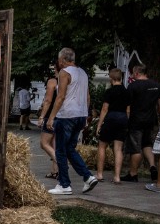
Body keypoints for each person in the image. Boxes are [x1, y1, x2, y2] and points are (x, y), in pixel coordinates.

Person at [46, 48, 99, 195]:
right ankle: (88, 176)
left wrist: (51, 117)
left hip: (66, 115)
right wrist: (86, 114)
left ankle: (64, 184)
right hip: (80, 115)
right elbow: (87, 96)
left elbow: (61, 96)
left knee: (61, 151)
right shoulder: (83, 73)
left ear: (62, 59)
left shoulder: (64, 72)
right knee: (70, 149)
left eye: (59, 59)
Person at [121, 65, 160, 182]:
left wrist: (127, 119)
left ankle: (133, 174)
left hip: (136, 120)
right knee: (147, 144)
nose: (132, 75)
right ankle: (152, 166)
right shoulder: (157, 86)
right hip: (150, 120)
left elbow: (128, 106)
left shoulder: (133, 86)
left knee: (136, 147)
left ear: (137, 73)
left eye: (133, 73)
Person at [95, 69, 129, 183]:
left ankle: (99, 174)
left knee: (102, 146)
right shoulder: (126, 92)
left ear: (111, 78)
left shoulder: (109, 92)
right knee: (118, 148)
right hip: (123, 118)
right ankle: (117, 176)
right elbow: (128, 110)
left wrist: (99, 125)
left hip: (111, 118)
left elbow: (105, 108)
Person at [39, 65, 60, 179]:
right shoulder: (68, 82)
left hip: (51, 115)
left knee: (44, 143)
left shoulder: (52, 81)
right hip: (62, 115)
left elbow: (48, 100)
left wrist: (42, 116)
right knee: (54, 144)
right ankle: (54, 171)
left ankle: (60, 164)